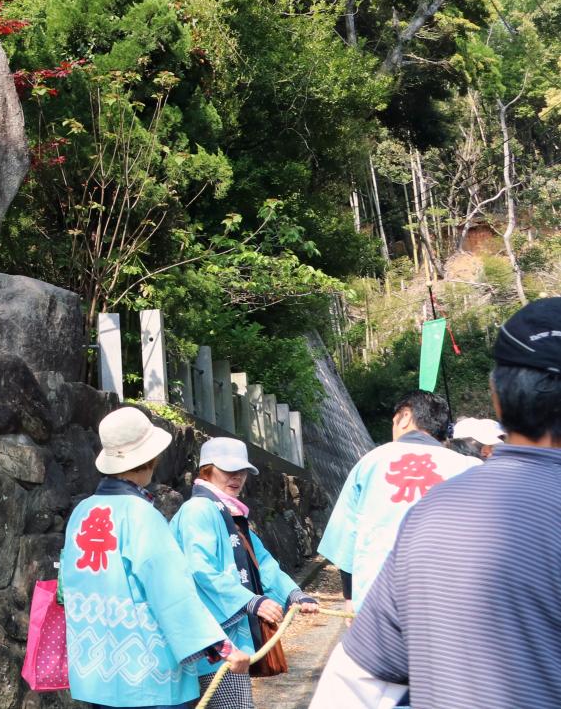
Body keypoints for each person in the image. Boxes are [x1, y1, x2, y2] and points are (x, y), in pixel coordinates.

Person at [310, 298, 561, 708]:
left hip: (396, 627)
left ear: (496, 396)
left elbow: (353, 686)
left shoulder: (427, 506)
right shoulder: (459, 467)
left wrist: (354, 600)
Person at [61, 405, 248, 708]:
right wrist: (221, 647)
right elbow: (172, 594)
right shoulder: (142, 516)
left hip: (96, 674)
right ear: (151, 458)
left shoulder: (81, 512)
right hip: (146, 676)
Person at [170, 436, 319, 709]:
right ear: (207, 469)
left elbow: (263, 563)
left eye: (242, 472)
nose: (237, 477)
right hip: (209, 637)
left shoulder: (228, 513)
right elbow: (199, 569)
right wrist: (250, 601)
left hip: (223, 635)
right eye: (229, 470)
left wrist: (294, 593)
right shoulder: (198, 511)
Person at [315, 388, 477, 606]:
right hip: (449, 607)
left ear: (405, 417)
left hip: (377, 606)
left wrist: (350, 598)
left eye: (393, 422)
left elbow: (347, 542)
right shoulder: (468, 467)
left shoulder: (370, 463)